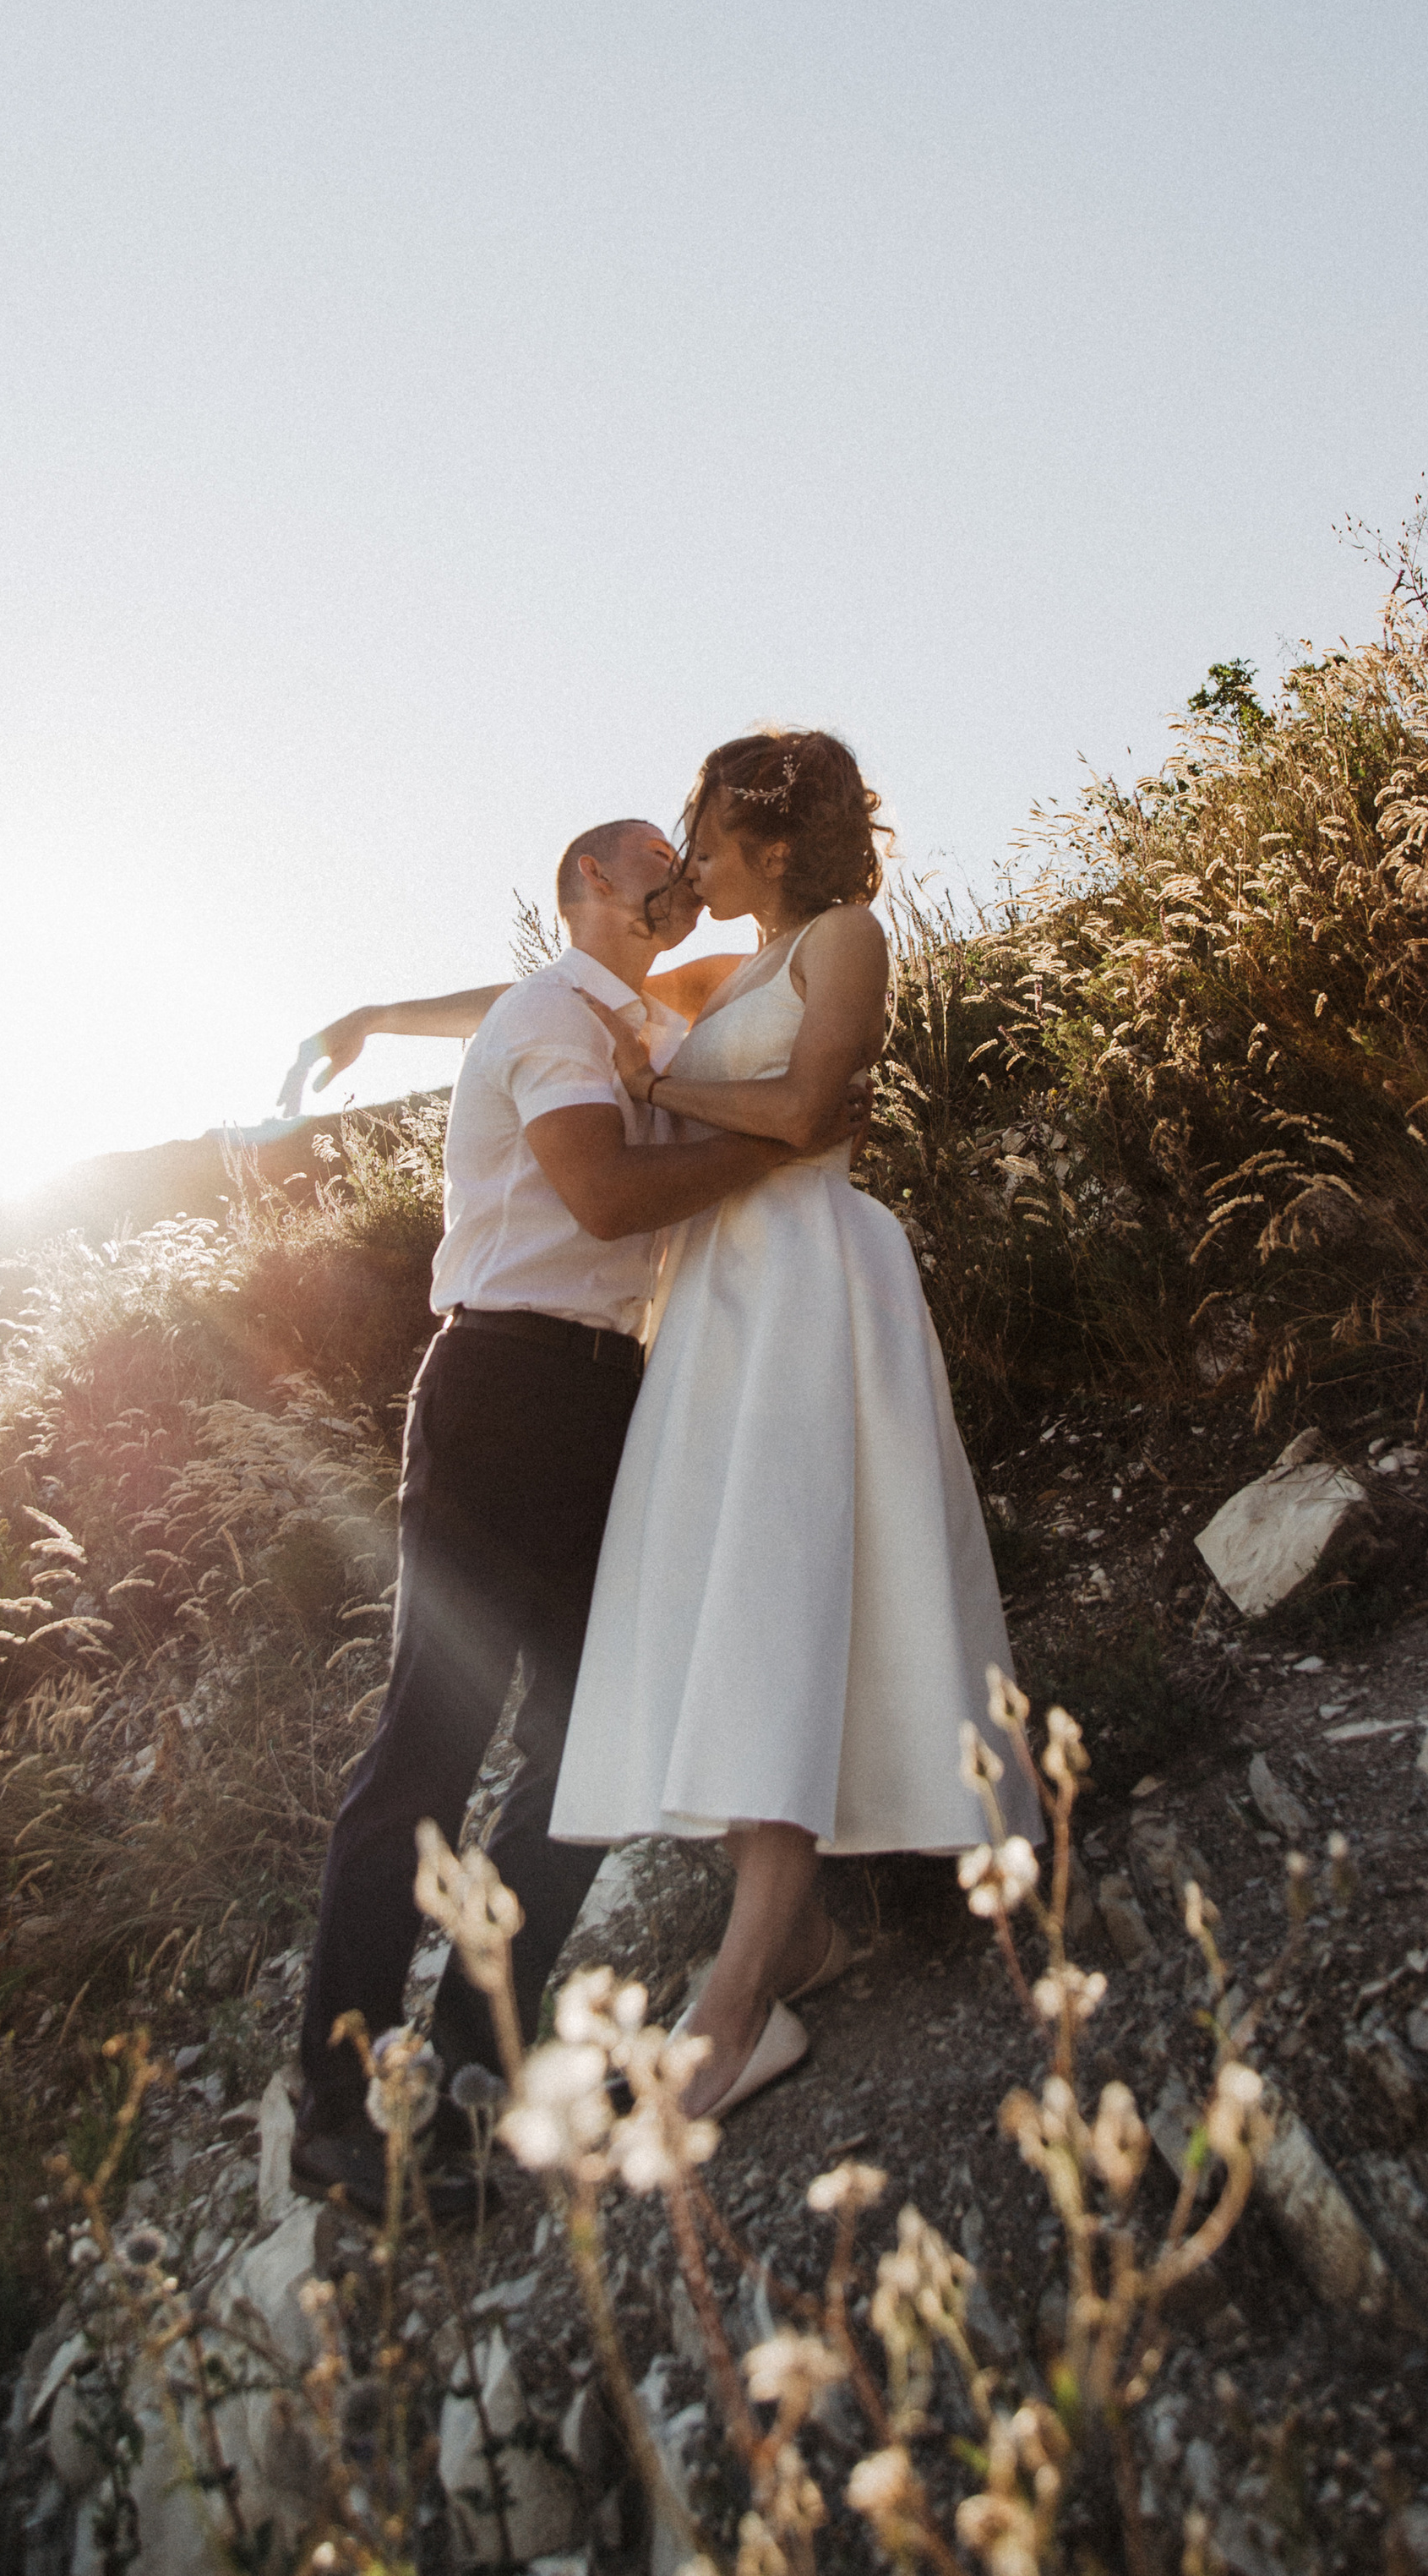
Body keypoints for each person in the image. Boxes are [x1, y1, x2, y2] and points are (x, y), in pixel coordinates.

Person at [285, 816, 846, 2219]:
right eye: (653, 853)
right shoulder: (558, 1008)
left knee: (590, 1746)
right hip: (505, 1384)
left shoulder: (611, 1008)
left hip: (601, 1397)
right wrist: (781, 1149)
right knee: (431, 1746)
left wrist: (375, 1015)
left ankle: (476, 2074)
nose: (675, 874)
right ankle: (338, 2118)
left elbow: (547, 1011)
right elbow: (598, 1197)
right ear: (591, 880)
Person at [551, 731, 1039, 2124]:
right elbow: (574, 997)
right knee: (727, 1600)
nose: (693, 861)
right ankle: (804, 1934)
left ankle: (737, 2003)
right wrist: (375, 1019)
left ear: (771, 833)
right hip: (719, 1307)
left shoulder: (846, 939)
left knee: (781, 1596)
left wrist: (665, 1092)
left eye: (705, 832)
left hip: (814, 1285)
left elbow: (813, 1109)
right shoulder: (732, 967)